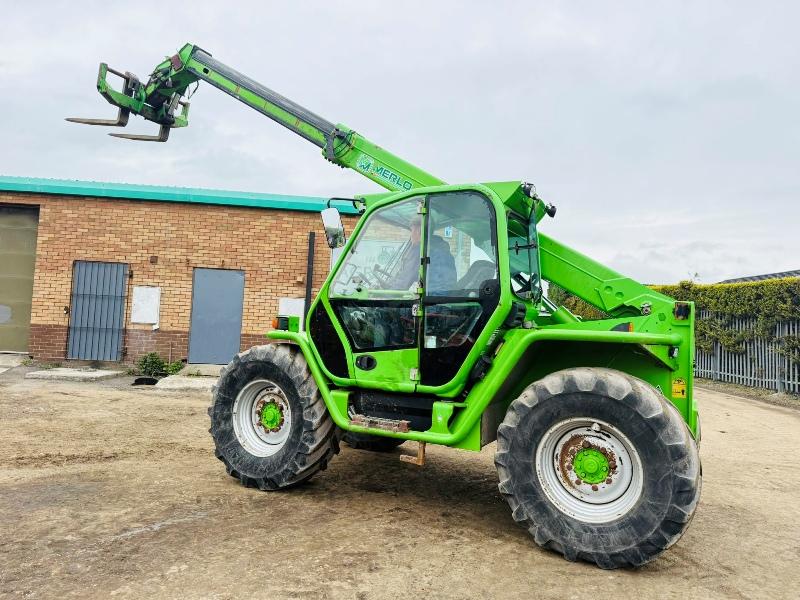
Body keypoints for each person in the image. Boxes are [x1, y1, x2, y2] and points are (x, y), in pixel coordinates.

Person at [386, 216, 456, 293]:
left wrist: (387, 293)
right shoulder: (440, 248)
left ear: (418, 230)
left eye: (412, 230)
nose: (411, 235)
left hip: (430, 299)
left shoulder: (421, 250)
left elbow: (404, 281)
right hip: (444, 298)